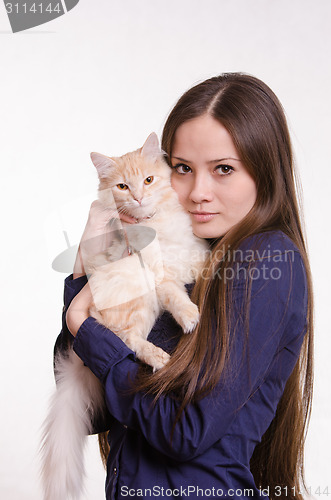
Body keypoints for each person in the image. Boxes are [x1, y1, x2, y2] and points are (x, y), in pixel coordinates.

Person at [59, 73, 313, 500]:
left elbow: (184, 431)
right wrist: (86, 268)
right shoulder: (182, 253)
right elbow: (91, 412)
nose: (198, 192)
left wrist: (82, 324)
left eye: (224, 170)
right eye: (182, 168)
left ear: (264, 174)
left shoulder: (268, 258)